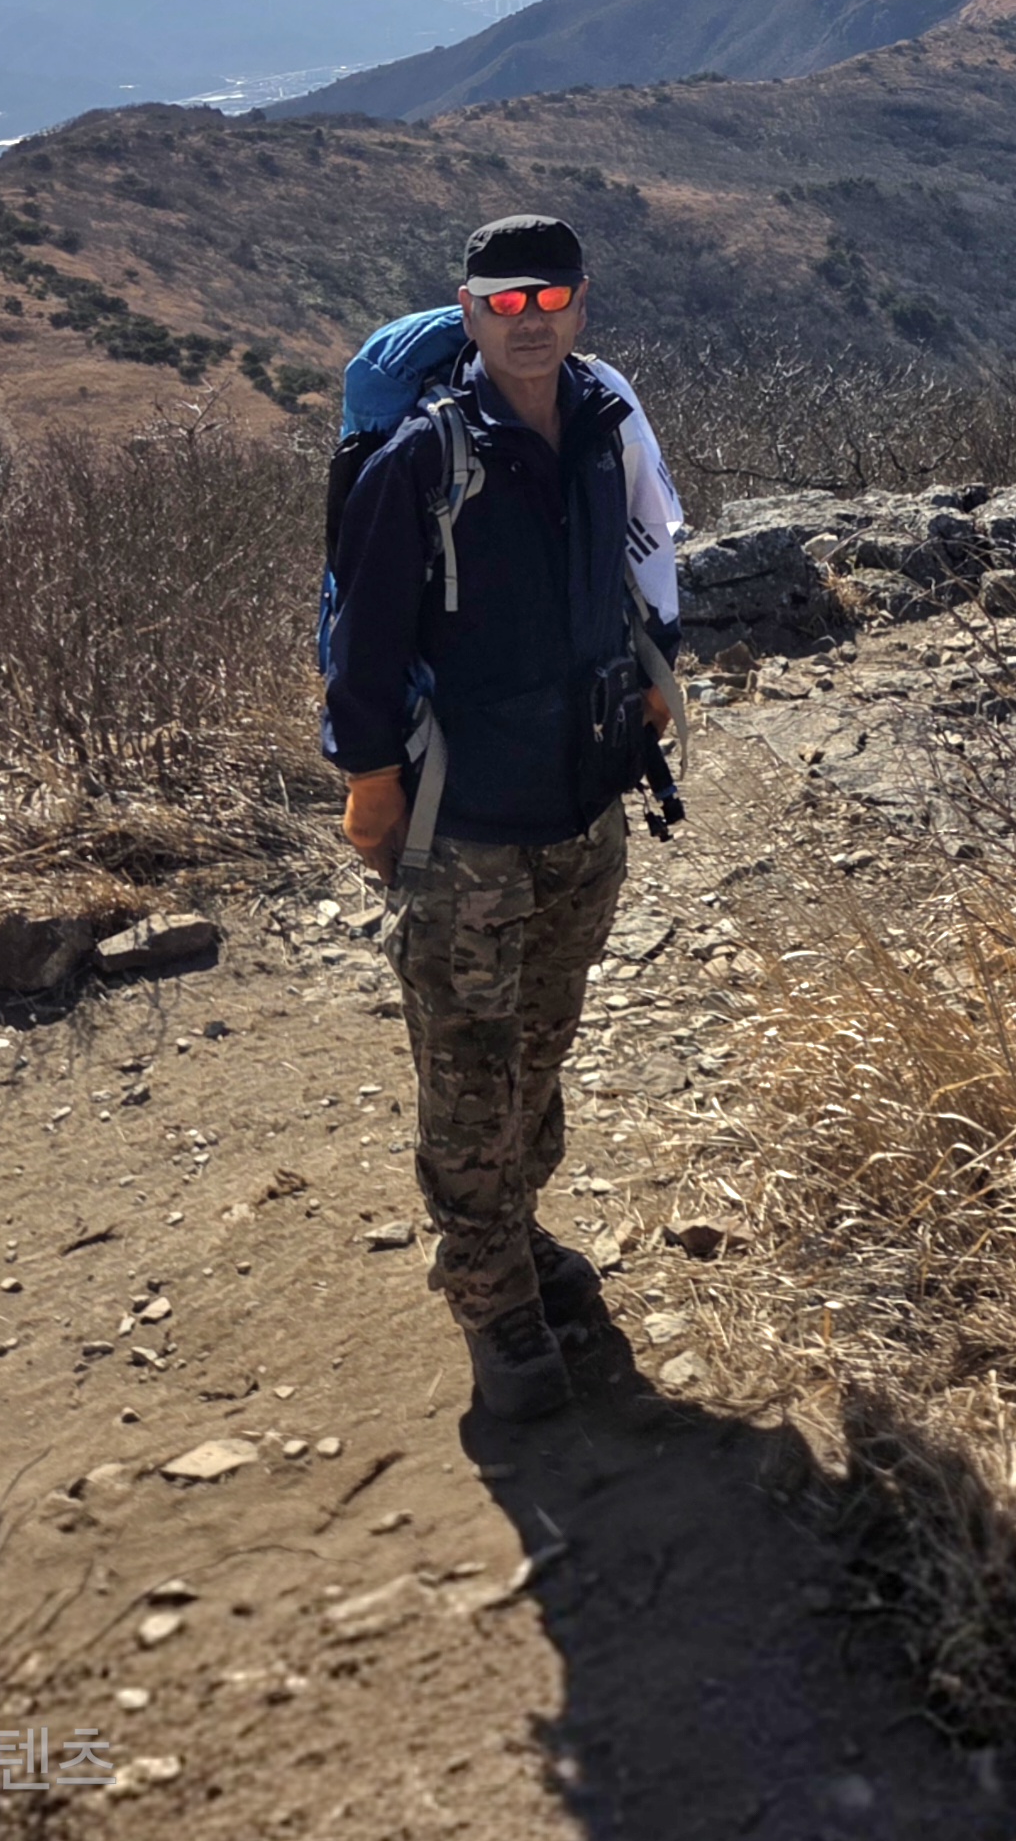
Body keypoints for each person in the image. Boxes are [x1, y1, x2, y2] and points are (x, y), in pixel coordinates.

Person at [319, 213, 685, 1419]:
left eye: (551, 298)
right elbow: (366, 649)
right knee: (470, 1068)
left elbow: (633, 571)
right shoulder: (420, 461)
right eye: (506, 300)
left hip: (584, 801)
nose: (531, 321)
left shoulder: (603, 427)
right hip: (464, 823)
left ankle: (514, 1235)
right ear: (470, 310)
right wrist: (372, 781)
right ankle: (492, 1300)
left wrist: (653, 680)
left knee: (541, 1043)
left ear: (581, 303)